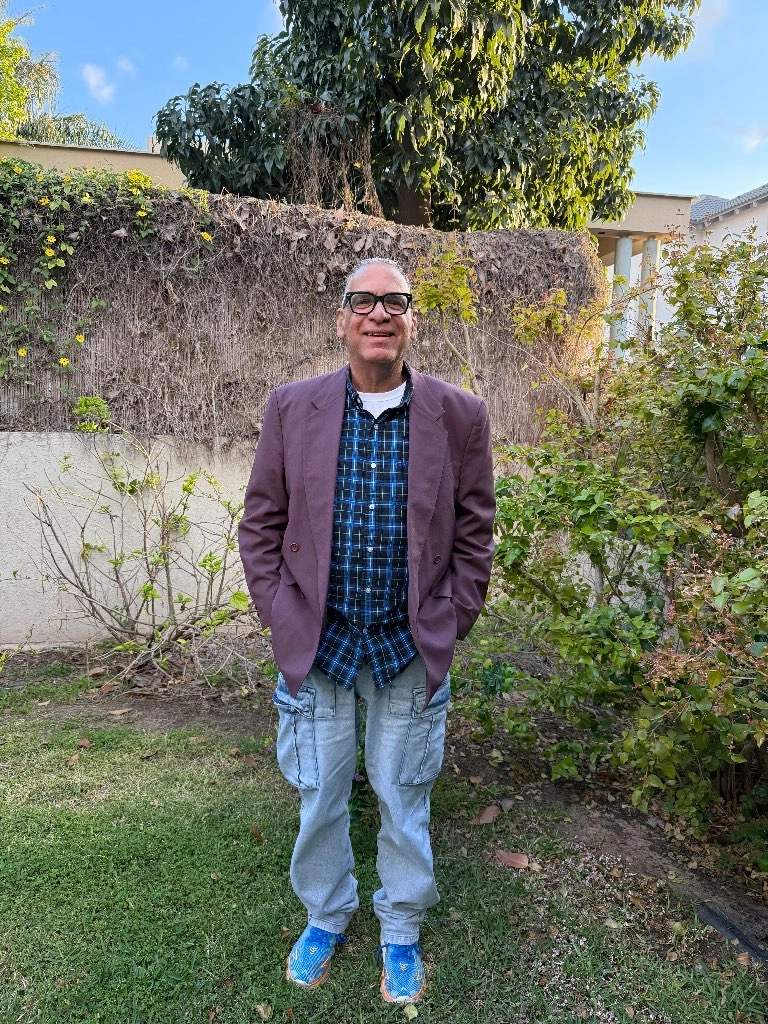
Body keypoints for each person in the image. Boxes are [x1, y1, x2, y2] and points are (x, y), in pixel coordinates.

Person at [238, 256, 495, 1004]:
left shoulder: (460, 416)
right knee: (319, 793)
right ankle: (325, 914)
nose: (379, 313)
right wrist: (282, 614)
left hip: (408, 646)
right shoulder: (293, 408)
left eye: (395, 302)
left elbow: (475, 533)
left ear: (413, 320)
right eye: (363, 301)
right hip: (319, 644)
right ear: (341, 319)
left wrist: (449, 618)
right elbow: (261, 525)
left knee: (402, 795)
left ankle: (401, 927)